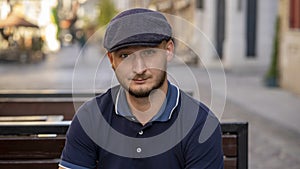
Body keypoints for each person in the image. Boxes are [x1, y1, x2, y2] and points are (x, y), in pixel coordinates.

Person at [59, 8, 223, 169]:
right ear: (111, 60)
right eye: (125, 56)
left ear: (168, 50)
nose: (139, 69)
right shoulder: (90, 118)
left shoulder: (200, 124)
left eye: (149, 52)